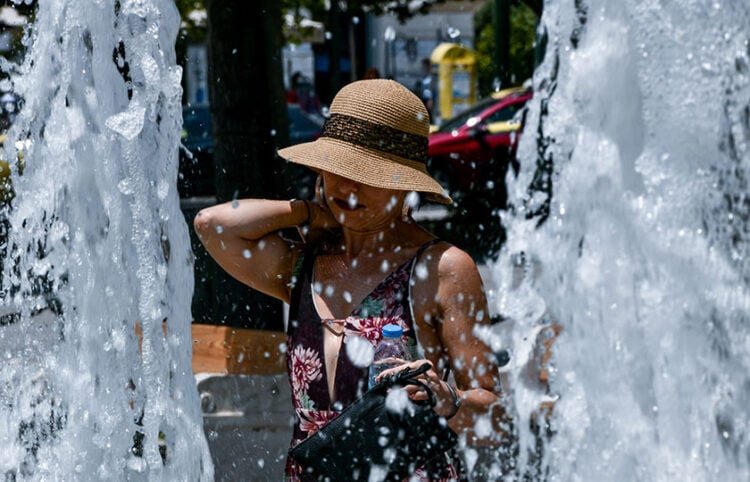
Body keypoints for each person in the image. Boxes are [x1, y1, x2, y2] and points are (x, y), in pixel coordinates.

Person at [194, 79, 506, 481]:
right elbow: (213, 225)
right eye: (337, 167)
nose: (346, 185)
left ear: (404, 181)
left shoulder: (442, 269)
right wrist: (307, 212)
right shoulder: (303, 264)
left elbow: (494, 414)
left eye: (368, 174)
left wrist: (449, 400)